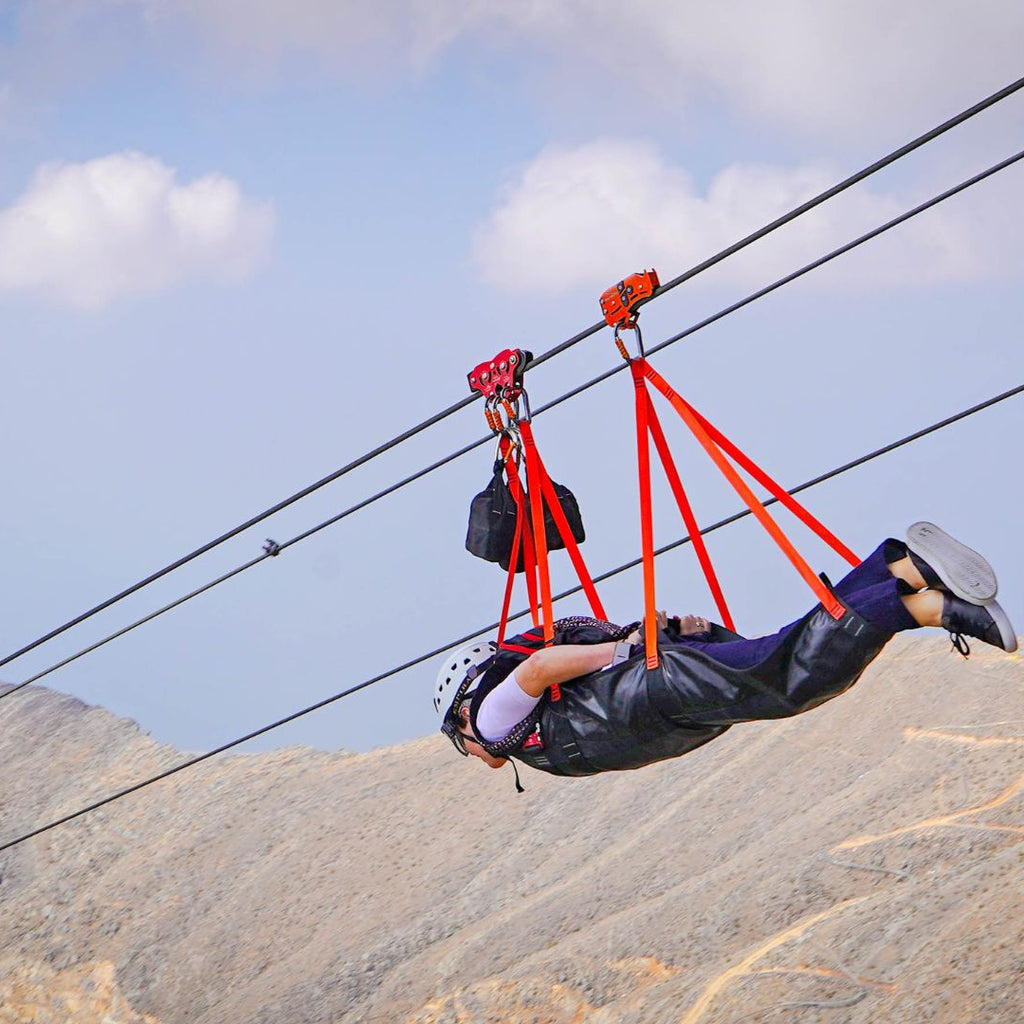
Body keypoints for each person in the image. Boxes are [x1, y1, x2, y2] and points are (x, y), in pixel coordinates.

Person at [433, 522, 1017, 781]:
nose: (474, 755)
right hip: (660, 692)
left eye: (462, 745)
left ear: (462, 715)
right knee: (783, 653)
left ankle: (928, 608)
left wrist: (627, 651)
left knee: (790, 680)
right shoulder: (523, 735)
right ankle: (902, 569)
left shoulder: (489, 720)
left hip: (657, 690)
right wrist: (651, 640)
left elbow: (540, 666)